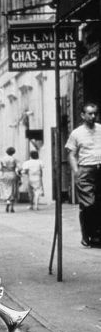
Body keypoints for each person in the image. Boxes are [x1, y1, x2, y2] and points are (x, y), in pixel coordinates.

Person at [65, 102, 101, 247]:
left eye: (95, 113)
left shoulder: (100, 129)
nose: (93, 116)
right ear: (82, 115)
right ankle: (86, 234)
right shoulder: (76, 133)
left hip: (99, 169)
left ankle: (96, 235)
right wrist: (76, 172)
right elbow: (71, 154)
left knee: (98, 203)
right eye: (90, 113)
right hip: (85, 170)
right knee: (88, 204)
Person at [0, 147, 20, 212]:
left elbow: (1, 168)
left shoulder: (2, 159)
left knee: (5, 188)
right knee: (13, 189)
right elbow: (19, 168)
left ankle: (7, 201)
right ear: (13, 152)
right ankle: (12, 207)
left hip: (5, 174)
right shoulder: (14, 159)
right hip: (12, 174)